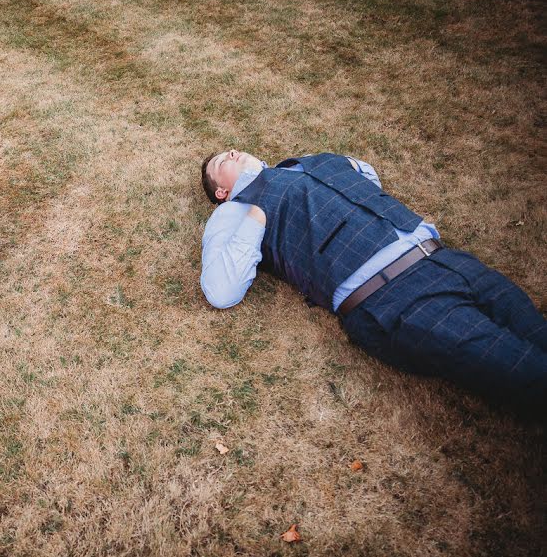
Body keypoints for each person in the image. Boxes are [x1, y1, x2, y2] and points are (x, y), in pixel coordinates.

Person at [200, 150, 546, 411]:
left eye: (231, 148)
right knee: (522, 369)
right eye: (221, 162)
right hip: (394, 297)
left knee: (536, 332)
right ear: (221, 191)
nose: (232, 151)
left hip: (446, 258)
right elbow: (220, 290)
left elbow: (365, 176)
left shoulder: (304, 162)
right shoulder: (234, 211)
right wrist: (257, 216)